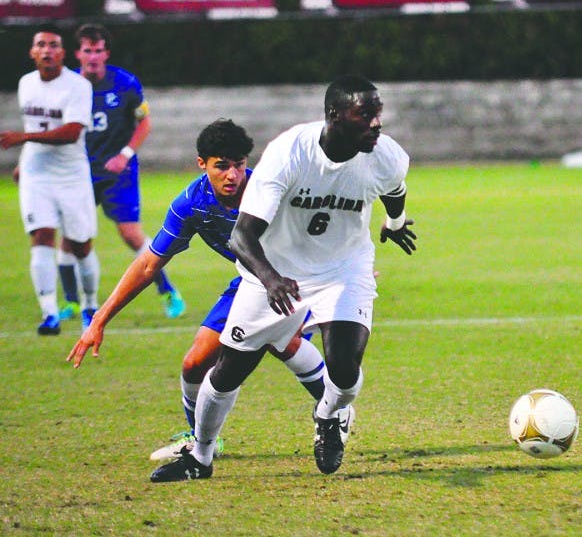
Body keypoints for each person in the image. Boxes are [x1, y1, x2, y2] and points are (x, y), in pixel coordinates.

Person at [148, 75, 416, 483]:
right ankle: (199, 459)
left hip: (344, 267)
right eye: (365, 114)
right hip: (274, 270)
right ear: (334, 116)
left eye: (378, 114)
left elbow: (394, 189)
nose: (376, 124)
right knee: (226, 372)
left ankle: (327, 415)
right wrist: (271, 279)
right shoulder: (289, 153)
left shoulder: (386, 155)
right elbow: (242, 235)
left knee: (344, 369)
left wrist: (394, 222)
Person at [67, 119, 328, 462]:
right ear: (202, 164)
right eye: (222, 166)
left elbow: (325, 216)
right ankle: (202, 439)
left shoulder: (270, 189)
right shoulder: (192, 203)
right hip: (250, 281)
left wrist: (342, 265)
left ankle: (333, 410)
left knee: (282, 341)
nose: (232, 175)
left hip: (297, 278)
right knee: (194, 364)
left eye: (239, 165)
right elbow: (148, 265)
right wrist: (99, 320)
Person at [57, 24, 185, 326]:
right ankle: (72, 302)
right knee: (70, 237)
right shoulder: (66, 86)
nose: (93, 56)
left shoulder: (125, 83)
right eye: (87, 50)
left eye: (98, 50)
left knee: (130, 233)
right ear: (78, 54)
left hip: (118, 171)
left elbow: (144, 123)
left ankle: (168, 291)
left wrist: (124, 154)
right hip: (78, 171)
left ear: (106, 53)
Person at [1, 24, 100, 335]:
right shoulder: (26, 83)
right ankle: (50, 313)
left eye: (53, 45)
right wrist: (23, 160)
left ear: (63, 53)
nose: (47, 50)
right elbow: (36, 125)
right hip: (36, 175)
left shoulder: (78, 86)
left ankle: (89, 305)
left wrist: (24, 138)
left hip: (72, 177)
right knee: (41, 237)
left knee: (81, 245)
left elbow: (72, 133)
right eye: (40, 44)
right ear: (32, 52)